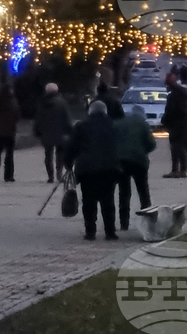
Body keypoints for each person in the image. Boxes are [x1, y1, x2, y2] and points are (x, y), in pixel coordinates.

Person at [66, 100, 120, 240]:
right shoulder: (114, 125)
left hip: (87, 169)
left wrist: (68, 164)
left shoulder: (81, 126)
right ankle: (110, 231)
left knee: (88, 200)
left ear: (90, 112)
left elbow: (71, 147)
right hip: (109, 168)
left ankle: (90, 231)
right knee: (108, 201)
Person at [111, 104, 156, 231]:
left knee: (124, 192)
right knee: (143, 192)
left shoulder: (118, 123)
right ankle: (148, 220)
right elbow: (151, 144)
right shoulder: (143, 124)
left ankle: (124, 224)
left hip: (121, 162)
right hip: (139, 162)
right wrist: (143, 151)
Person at [35, 83, 72, 183]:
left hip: (46, 133)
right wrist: (70, 130)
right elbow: (67, 118)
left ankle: (50, 176)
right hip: (60, 133)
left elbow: (38, 118)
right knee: (60, 154)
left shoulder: (42, 102)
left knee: (48, 155)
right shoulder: (62, 102)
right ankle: (59, 174)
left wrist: (37, 131)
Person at [0, 80, 20, 183]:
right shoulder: (13, 102)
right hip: (9, 132)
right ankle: (8, 175)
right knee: (9, 155)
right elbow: (17, 115)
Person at [161, 71, 187, 178]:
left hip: (177, 124)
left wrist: (165, 121)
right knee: (180, 147)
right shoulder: (182, 92)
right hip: (183, 123)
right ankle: (182, 169)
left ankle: (176, 170)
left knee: (176, 148)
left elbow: (171, 110)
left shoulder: (175, 95)